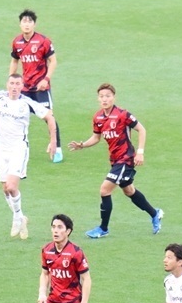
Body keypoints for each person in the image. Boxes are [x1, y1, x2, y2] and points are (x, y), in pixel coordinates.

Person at [68, 83, 163, 239]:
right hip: (115, 160)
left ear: (114, 97)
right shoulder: (98, 117)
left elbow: (141, 129)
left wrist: (140, 152)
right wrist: (82, 145)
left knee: (104, 190)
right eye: (101, 96)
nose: (104, 99)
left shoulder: (122, 115)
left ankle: (103, 228)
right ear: (98, 99)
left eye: (108, 96)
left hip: (126, 159)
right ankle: (155, 214)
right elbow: (96, 137)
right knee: (129, 191)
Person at [0, 74, 57, 240]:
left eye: (18, 84)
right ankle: (21, 217)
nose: (14, 87)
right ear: (7, 85)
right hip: (2, 149)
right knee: (5, 189)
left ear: (22, 86)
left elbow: (49, 117)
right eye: (12, 83)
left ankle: (17, 218)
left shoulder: (27, 103)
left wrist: (53, 141)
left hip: (19, 148)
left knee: (11, 186)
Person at [9, 9, 63, 163]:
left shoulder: (43, 41)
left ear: (34, 24)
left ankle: (57, 149)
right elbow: (14, 60)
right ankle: (15, 148)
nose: (27, 24)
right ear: (20, 24)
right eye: (24, 22)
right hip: (25, 88)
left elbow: (53, 61)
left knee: (48, 117)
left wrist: (46, 79)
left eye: (30, 21)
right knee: (16, 116)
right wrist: (11, 81)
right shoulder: (17, 42)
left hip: (41, 88)